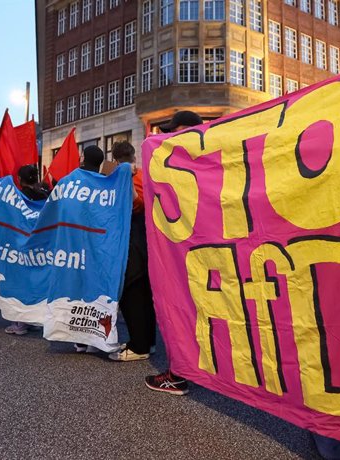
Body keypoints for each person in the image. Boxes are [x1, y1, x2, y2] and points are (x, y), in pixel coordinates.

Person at [145, 110, 203, 395]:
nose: (167, 135)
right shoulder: (200, 161)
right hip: (191, 249)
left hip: (188, 252)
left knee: (181, 309)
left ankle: (178, 374)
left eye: (174, 130)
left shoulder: (184, 163)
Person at [107, 141, 156, 361]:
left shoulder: (119, 177)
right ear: (134, 156)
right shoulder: (146, 174)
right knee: (145, 295)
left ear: (115, 159)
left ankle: (139, 347)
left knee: (131, 294)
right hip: (149, 242)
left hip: (130, 244)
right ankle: (149, 342)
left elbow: (135, 205)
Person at [5, 165, 49, 335]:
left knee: (20, 282)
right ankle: (36, 319)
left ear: (20, 179)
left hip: (19, 244)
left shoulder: (15, 197)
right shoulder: (44, 197)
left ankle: (20, 323)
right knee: (36, 280)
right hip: (40, 244)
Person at [74, 145, 105, 352]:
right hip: (100, 245)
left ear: (83, 158)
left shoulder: (73, 181)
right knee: (98, 287)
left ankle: (80, 337)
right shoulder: (106, 183)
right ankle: (97, 333)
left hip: (78, 243)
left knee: (79, 287)